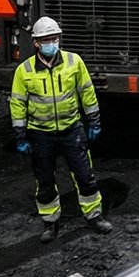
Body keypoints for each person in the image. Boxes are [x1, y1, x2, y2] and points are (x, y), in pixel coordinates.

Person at [10, 17, 113, 240]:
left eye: (54, 38)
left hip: (71, 129)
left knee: (84, 175)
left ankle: (94, 215)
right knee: (45, 181)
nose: (51, 43)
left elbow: (87, 92)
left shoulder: (74, 62)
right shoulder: (24, 71)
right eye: (46, 39)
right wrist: (20, 135)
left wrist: (93, 121)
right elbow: (17, 104)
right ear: (36, 42)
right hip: (40, 133)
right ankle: (50, 222)